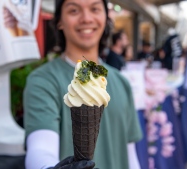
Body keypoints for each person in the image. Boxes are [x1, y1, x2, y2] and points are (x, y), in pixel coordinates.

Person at [23, 0, 142, 169]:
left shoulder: (122, 82)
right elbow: (40, 147)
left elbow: (130, 155)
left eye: (94, 9)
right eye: (74, 10)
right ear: (59, 21)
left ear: (106, 18)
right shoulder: (43, 80)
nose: (86, 18)